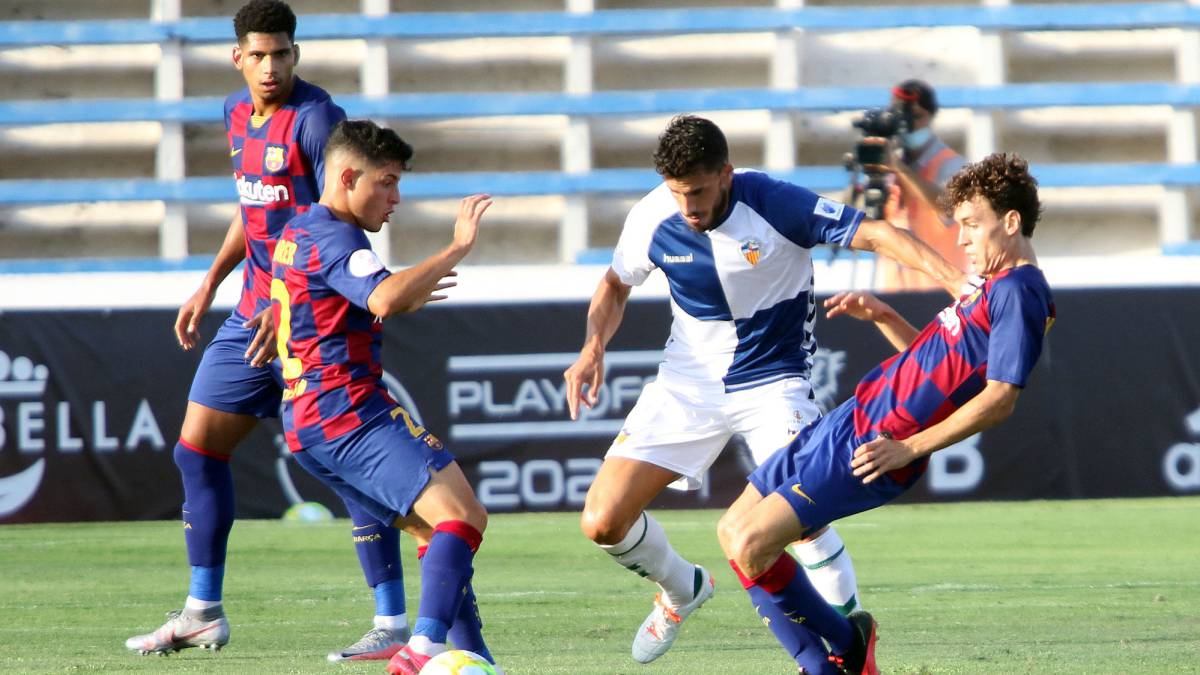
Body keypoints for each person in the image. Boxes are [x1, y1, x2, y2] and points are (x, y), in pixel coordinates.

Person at [563, 114, 965, 665]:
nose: (689, 208)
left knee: (802, 520)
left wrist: (957, 283)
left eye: (699, 192)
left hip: (773, 380)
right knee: (602, 522)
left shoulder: (774, 202)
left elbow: (874, 233)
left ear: (725, 174)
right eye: (678, 193)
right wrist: (593, 346)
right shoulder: (655, 215)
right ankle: (683, 589)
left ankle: (852, 650)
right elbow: (614, 284)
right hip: (686, 384)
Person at [124, 1, 414, 662]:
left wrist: (293, 299)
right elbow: (254, 206)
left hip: (308, 316)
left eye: (282, 53)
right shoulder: (233, 114)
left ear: (295, 53)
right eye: (259, 55)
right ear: (238, 58)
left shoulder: (317, 119)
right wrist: (210, 282)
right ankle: (202, 609)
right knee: (196, 449)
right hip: (252, 310)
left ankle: (393, 623)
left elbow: (333, 218)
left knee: (351, 466)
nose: (272, 66)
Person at [716, 153, 1055, 674]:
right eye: (958, 225)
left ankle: (834, 660)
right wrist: (885, 315)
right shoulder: (990, 286)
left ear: (1011, 222)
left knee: (752, 544)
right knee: (732, 532)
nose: (961, 239)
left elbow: (999, 398)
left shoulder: (1019, 291)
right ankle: (850, 647)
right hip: (851, 418)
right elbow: (940, 365)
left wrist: (910, 447)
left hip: (877, 446)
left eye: (971, 225)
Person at [268, 118, 498, 675]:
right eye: (387, 182)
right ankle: (422, 650)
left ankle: (477, 661)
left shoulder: (300, 229)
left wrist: (399, 291)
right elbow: (384, 297)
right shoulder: (337, 236)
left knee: (432, 531)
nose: (396, 198)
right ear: (349, 177)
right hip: (348, 412)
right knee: (464, 518)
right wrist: (456, 248)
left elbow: (347, 300)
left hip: (307, 424)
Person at [874, 79, 969, 291]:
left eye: (916, 117)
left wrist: (900, 168)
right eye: (903, 116)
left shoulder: (951, 163)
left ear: (931, 116)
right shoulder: (886, 164)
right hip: (894, 294)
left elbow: (948, 206)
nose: (910, 124)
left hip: (941, 292)